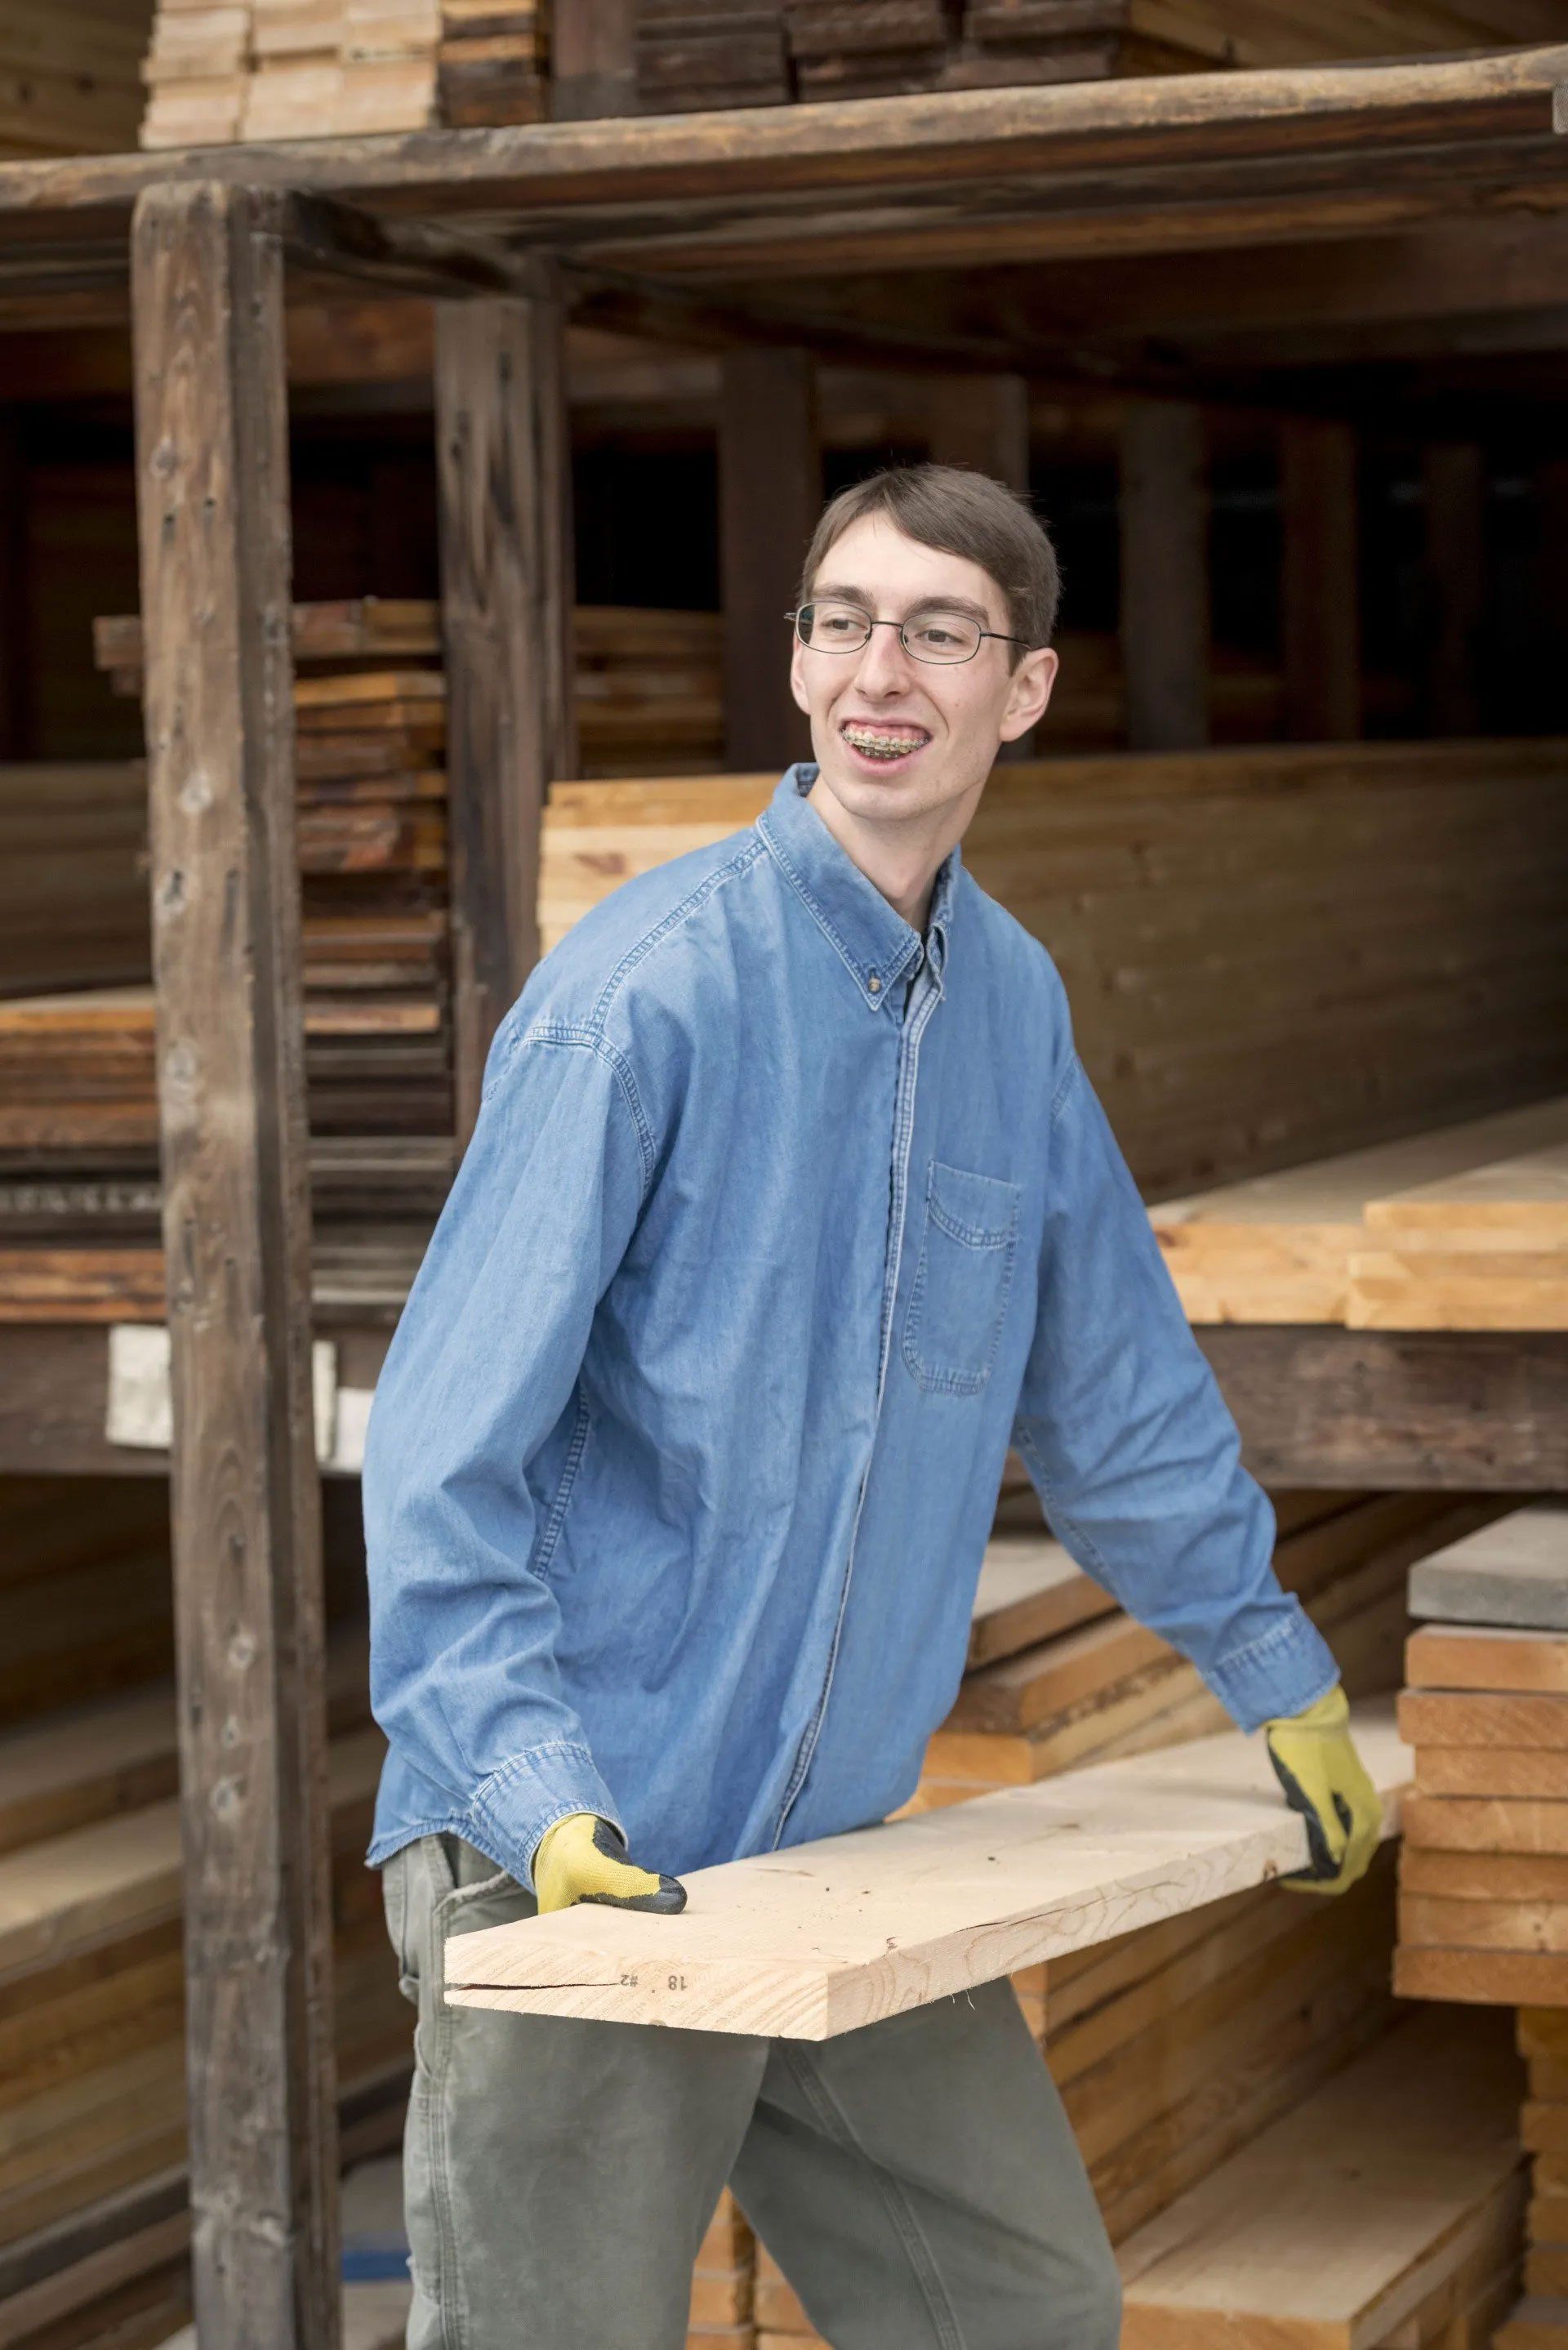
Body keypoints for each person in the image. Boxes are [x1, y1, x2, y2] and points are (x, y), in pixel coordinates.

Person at [364, 463, 1382, 2350]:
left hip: (833, 1850)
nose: (877, 667)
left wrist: (1275, 1664)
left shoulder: (1008, 1004)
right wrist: (530, 1791)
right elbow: (442, 1449)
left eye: (937, 627)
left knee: (1021, 2309)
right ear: (801, 663)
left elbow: (1118, 1393)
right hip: (593, 1852)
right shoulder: (644, 997)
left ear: (1028, 687)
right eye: (840, 619)